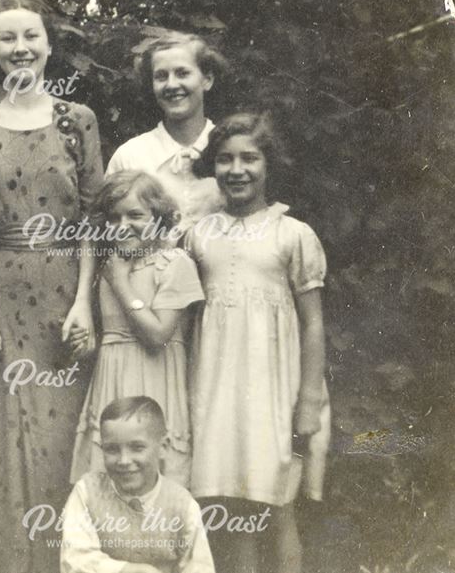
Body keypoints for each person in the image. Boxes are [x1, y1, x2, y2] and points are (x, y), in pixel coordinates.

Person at [0, 0, 104, 573]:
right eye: (7, 38)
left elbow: (94, 217)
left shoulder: (78, 121)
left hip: (62, 296)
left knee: (58, 436)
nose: (20, 48)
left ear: (49, 44)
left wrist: (85, 305)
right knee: (0, 436)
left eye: (30, 37)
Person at [188, 113, 331, 573]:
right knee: (231, 505)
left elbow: (312, 323)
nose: (237, 170)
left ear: (269, 165)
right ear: (213, 168)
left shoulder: (292, 234)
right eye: (225, 160)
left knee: (276, 504)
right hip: (215, 386)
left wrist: (309, 398)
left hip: (273, 387)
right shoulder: (198, 235)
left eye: (250, 158)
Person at [71, 171, 204, 487]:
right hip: (112, 378)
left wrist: (119, 283)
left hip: (155, 378)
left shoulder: (174, 263)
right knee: (110, 478)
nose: (123, 226)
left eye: (135, 215)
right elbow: (109, 330)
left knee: (153, 479)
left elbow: (158, 335)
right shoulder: (110, 266)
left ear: (158, 217)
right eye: (114, 218)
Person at [61, 397, 215, 573]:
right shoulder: (87, 492)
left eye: (137, 448)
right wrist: (127, 570)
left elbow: (200, 567)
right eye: (112, 449)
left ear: (163, 447)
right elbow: (74, 558)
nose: (124, 460)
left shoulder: (182, 504)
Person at [105, 31, 228, 234]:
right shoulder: (130, 157)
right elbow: (108, 232)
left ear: (207, 79)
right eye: (161, 76)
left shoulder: (231, 150)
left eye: (182, 73)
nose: (171, 85)